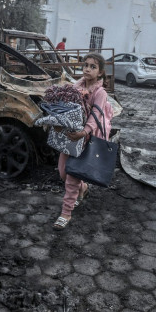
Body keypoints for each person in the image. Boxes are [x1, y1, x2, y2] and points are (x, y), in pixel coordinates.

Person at [53, 53, 112, 230]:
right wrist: (58, 123)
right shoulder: (74, 87)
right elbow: (66, 109)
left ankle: (66, 213)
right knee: (63, 172)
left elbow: (95, 116)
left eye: (93, 66)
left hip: (86, 137)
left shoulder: (100, 93)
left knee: (72, 176)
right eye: (85, 65)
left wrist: (84, 132)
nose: (87, 69)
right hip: (71, 136)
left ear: (100, 72)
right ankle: (83, 188)